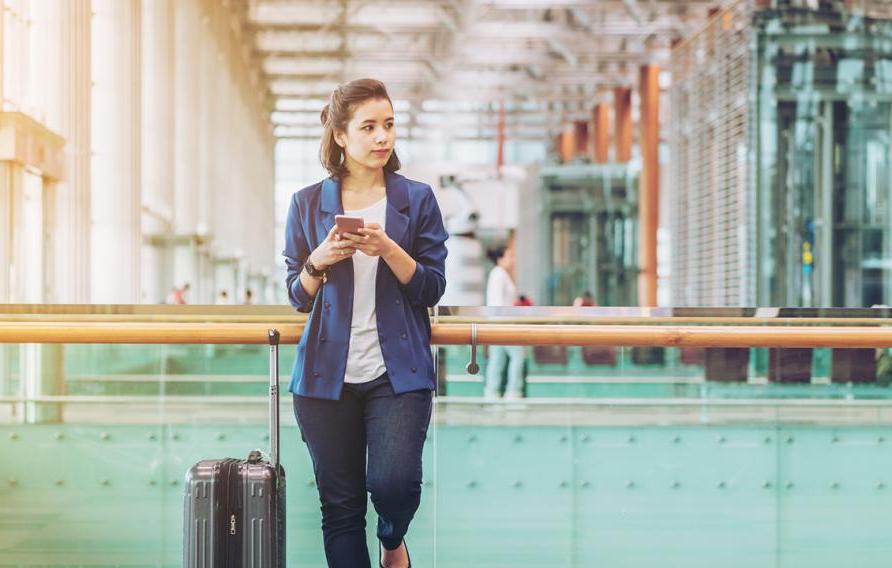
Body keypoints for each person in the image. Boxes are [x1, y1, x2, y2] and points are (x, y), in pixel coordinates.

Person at [282, 78, 448, 568]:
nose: (382, 138)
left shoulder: (416, 200)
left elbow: (432, 288)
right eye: (369, 127)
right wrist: (318, 259)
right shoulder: (307, 203)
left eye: (389, 125)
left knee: (395, 484)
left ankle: (392, 540)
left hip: (397, 373)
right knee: (340, 509)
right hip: (322, 376)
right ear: (340, 135)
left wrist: (389, 250)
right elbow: (297, 295)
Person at [483, 234, 527, 400]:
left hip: (500, 323)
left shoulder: (501, 274)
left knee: (498, 359)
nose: (513, 260)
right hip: (501, 324)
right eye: (510, 256)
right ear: (500, 259)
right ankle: (513, 391)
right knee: (517, 356)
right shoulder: (498, 274)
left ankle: (492, 392)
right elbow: (497, 303)